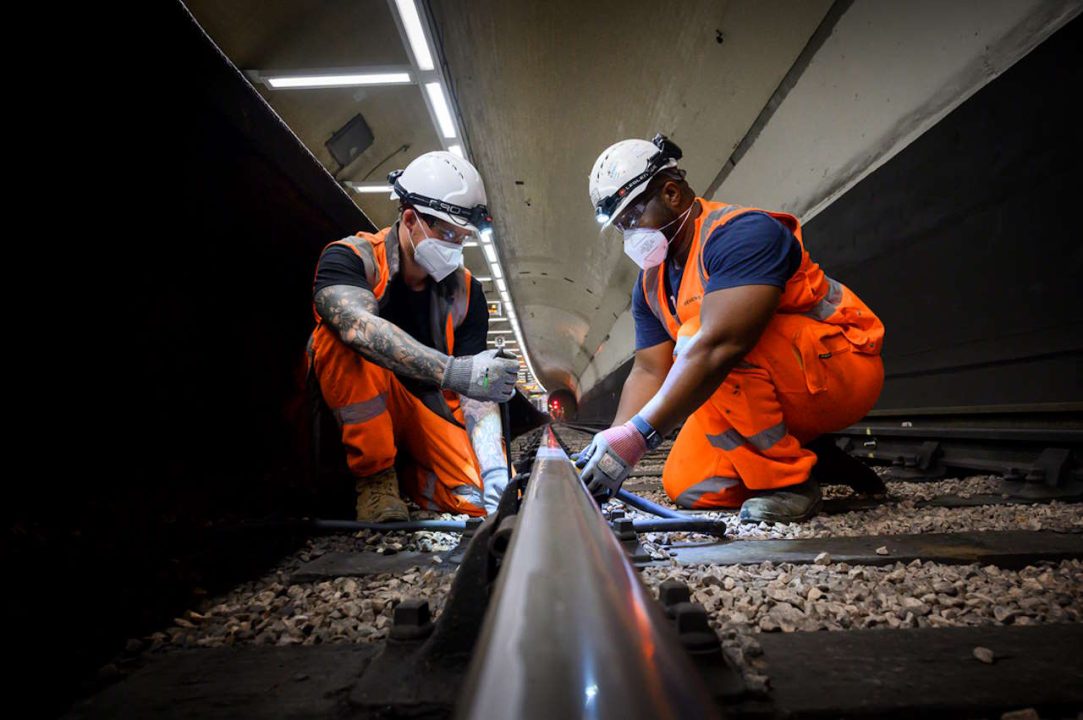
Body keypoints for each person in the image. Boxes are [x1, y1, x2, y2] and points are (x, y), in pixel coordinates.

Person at [576, 134, 886, 523]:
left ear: (671, 193)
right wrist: (613, 443)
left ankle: (788, 482)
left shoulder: (742, 234)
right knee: (686, 484)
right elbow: (650, 369)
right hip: (782, 384)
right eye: (622, 226)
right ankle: (815, 460)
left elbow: (721, 345)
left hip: (840, 367)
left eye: (633, 218)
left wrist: (640, 436)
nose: (630, 233)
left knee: (697, 338)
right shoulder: (650, 284)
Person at [307, 151, 518, 522]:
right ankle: (375, 479)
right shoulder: (352, 259)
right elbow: (357, 327)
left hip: (421, 408)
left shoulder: (467, 292)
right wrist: (454, 371)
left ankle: (409, 482)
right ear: (410, 218)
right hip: (358, 406)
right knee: (341, 338)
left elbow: (475, 391)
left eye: (463, 237)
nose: (456, 247)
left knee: (475, 496)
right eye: (449, 234)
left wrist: (494, 469)